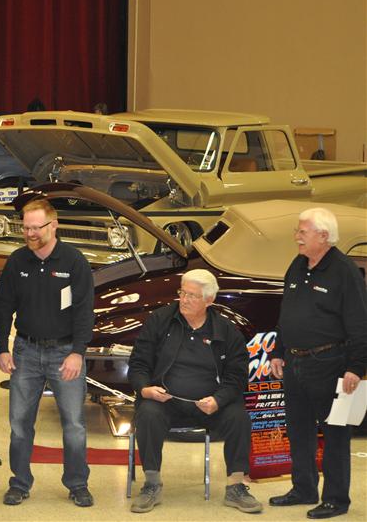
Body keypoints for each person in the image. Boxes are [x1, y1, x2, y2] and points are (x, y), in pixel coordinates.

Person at [127, 269, 262, 514]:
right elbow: (138, 363)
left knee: (239, 417)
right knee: (147, 413)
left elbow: (237, 376)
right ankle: (152, 484)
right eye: (182, 292)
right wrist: (145, 389)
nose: (184, 299)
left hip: (209, 403)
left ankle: (236, 487)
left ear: (209, 300)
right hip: (165, 401)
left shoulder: (226, 331)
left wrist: (218, 400)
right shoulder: (160, 320)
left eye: (192, 295)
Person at [0, 198, 95, 508]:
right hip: (25, 351)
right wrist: (2, 348)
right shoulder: (17, 261)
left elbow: (84, 311)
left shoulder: (74, 261)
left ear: (54, 225)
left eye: (36, 228)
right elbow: (3, 307)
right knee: (19, 424)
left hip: (65, 352)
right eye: (26, 228)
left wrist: (78, 352)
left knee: (74, 424)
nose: (30, 234)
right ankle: (19, 483)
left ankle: (77, 484)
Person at [268, 207, 367, 519]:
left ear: (323, 236)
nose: (296, 236)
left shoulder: (345, 272)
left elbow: (360, 323)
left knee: (335, 434)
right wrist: (278, 350)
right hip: (295, 363)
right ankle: (304, 488)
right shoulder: (298, 265)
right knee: (298, 431)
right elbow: (287, 312)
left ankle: (336, 499)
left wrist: (356, 367)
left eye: (302, 231)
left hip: (332, 363)